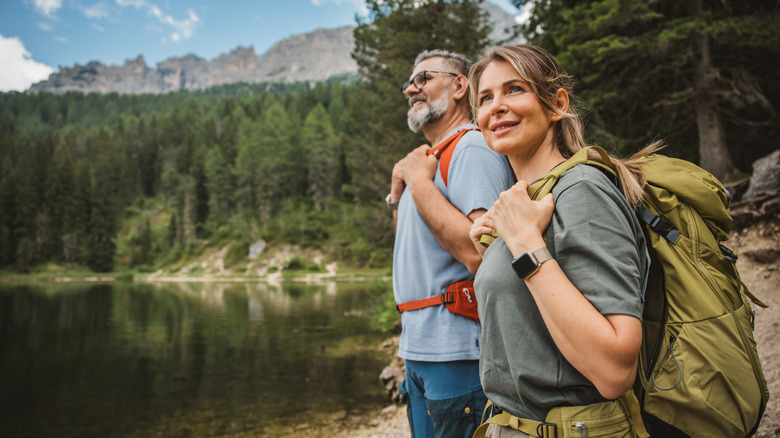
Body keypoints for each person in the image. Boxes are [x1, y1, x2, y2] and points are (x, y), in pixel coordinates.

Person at [467, 44, 654, 437]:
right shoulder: (528, 202)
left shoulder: (582, 190)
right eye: (485, 98)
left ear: (557, 104)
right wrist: (498, 245)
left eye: (514, 89)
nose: (496, 106)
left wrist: (523, 246)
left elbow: (614, 370)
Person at [389, 49, 515, 438]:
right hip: (419, 349)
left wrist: (420, 182)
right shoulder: (426, 161)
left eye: (424, 78)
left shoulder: (472, 148)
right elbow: (415, 248)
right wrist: (399, 193)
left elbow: (484, 255)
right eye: (410, 82)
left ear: (460, 85)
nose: (412, 88)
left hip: (459, 351)